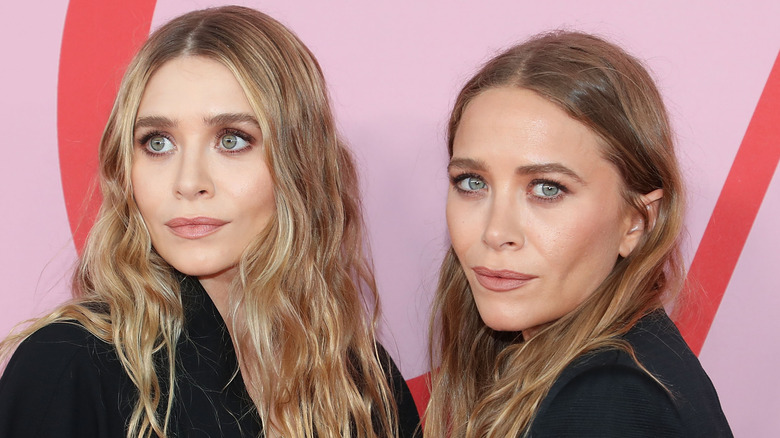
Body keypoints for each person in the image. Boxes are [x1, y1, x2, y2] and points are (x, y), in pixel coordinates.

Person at [0, 6, 419, 438]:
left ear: (300, 163)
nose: (188, 182)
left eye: (232, 140)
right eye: (157, 143)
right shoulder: (69, 365)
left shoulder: (364, 386)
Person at [424, 31, 732, 437]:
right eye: (471, 182)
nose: (496, 232)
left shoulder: (608, 399)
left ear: (636, 220)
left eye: (547, 188)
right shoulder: (618, 371)